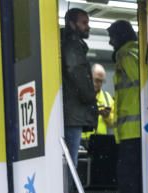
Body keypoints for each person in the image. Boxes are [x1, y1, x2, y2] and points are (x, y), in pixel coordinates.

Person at [107, 20, 143, 193]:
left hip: (131, 131)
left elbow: (141, 83)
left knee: (128, 177)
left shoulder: (125, 55)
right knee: (136, 177)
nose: (110, 42)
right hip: (137, 130)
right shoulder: (137, 52)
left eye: (112, 37)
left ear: (120, 36)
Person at [60, 8, 97, 162]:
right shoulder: (72, 45)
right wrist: (90, 97)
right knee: (70, 162)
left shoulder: (70, 44)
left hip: (71, 112)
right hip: (73, 114)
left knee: (68, 161)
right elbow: (77, 72)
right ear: (72, 24)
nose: (88, 26)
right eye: (84, 23)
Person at [82, 64, 116, 141]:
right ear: (89, 77)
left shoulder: (107, 97)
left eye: (102, 81)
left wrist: (107, 116)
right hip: (82, 139)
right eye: (97, 80)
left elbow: (113, 122)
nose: (99, 84)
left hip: (101, 141)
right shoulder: (80, 94)